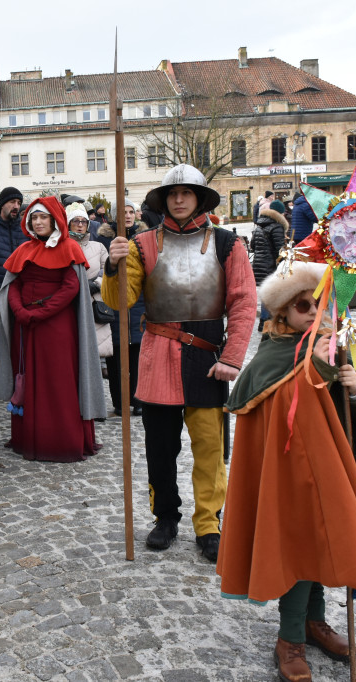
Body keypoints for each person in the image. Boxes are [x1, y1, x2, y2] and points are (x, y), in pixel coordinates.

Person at [218, 262, 356, 682]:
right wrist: (315, 371)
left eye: (323, 304)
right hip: (291, 475)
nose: (316, 313)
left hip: (340, 468)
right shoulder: (274, 354)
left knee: (324, 546)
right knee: (301, 546)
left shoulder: (339, 344)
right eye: (305, 306)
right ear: (283, 313)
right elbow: (281, 406)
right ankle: (290, 637)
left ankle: (313, 623)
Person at [102, 164, 257, 562]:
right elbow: (120, 301)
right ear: (164, 200)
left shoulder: (227, 244)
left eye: (186, 193)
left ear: (200, 197)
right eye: (172, 194)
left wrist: (232, 358)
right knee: (160, 447)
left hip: (206, 359)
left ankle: (208, 523)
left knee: (209, 447)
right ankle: (166, 517)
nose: (179, 199)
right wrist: (111, 266)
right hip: (158, 358)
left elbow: (243, 302)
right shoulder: (141, 244)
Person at [0, 196, 105, 462]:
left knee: (59, 381)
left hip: (58, 327)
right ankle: (30, 437)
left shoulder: (68, 247)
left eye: (44, 217)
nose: (39, 221)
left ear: (55, 220)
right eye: (34, 217)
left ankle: (59, 440)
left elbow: (70, 287)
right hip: (28, 326)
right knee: (29, 380)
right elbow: (14, 285)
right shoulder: (24, 249)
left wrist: (40, 313)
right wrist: (21, 311)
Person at [97, 201, 145, 417]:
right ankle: (119, 402)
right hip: (113, 307)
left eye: (131, 212)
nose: (128, 216)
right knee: (115, 358)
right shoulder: (104, 240)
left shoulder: (143, 239)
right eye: (123, 212)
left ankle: (139, 400)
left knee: (137, 356)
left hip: (138, 304)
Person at [66, 202, 113, 364]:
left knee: (93, 356)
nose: (80, 225)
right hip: (71, 303)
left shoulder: (98, 247)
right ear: (68, 224)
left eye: (83, 221)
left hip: (94, 303)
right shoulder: (62, 248)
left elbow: (107, 270)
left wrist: (95, 284)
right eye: (75, 221)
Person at [250, 199, 289, 320]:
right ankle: (268, 322)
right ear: (280, 213)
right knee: (272, 294)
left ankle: (264, 322)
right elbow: (279, 250)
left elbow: (253, 246)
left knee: (266, 295)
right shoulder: (277, 226)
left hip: (258, 265)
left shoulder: (259, 226)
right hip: (271, 266)